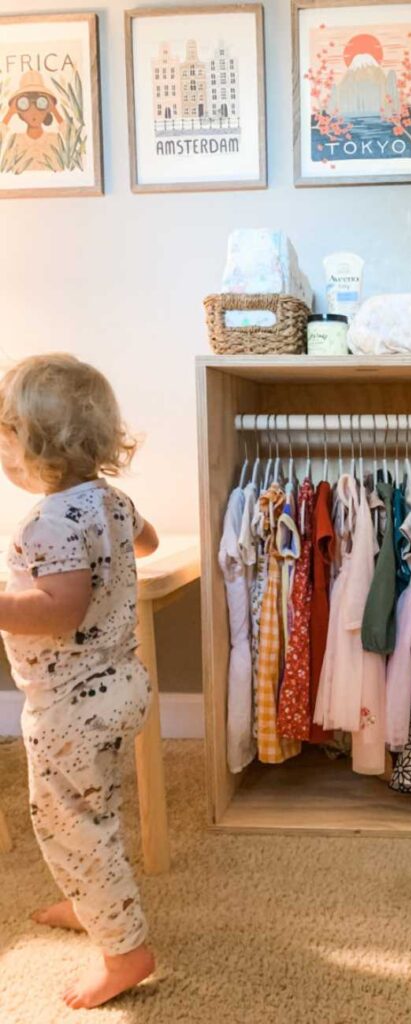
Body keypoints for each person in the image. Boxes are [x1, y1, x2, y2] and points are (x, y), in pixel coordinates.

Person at [0, 354, 158, 1009]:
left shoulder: (50, 520)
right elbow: (143, 543)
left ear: (30, 444)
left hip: (70, 704)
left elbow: (59, 611)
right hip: (118, 685)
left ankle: (124, 952)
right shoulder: (109, 501)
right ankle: (90, 901)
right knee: (94, 811)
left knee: (69, 825)